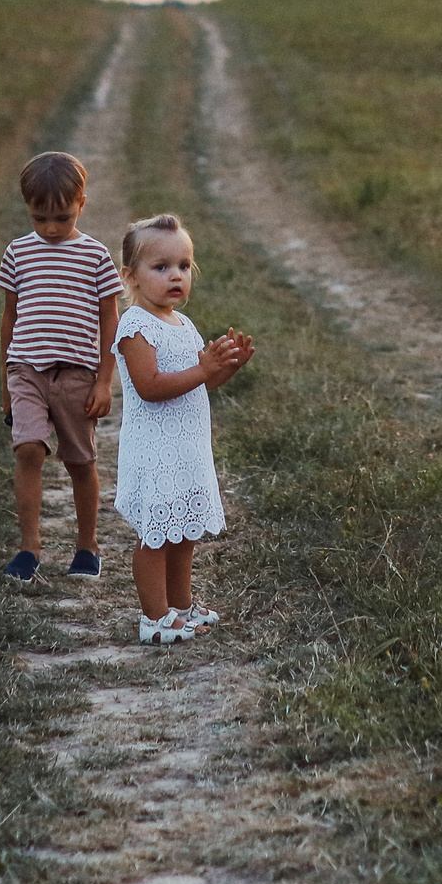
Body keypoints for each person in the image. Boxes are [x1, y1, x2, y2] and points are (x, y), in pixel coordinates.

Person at [111, 213, 254, 643]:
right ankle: (153, 617)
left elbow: (200, 384)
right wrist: (203, 367)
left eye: (184, 266)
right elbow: (151, 387)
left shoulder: (183, 324)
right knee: (155, 536)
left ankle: (181, 605)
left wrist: (224, 368)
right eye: (161, 267)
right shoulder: (135, 326)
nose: (176, 276)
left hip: (186, 449)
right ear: (130, 276)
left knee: (183, 530)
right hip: (154, 450)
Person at [0, 151, 120, 583]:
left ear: (82, 204)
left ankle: (87, 545)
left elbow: (110, 321)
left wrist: (105, 382)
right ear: (27, 208)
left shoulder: (95, 256)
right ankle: (29, 548)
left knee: (80, 462)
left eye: (62, 218)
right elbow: (9, 319)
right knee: (28, 448)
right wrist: (6, 384)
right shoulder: (17, 253)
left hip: (77, 375)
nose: (50, 229)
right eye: (39, 218)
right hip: (26, 369)